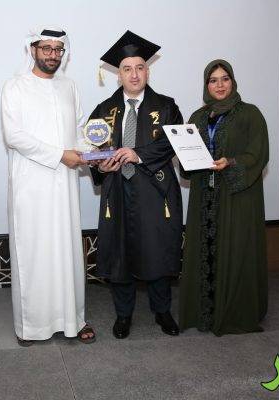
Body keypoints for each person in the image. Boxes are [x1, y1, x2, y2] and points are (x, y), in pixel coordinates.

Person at [1, 27, 95, 345]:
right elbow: (14, 136)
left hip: (65, 185)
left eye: (58, 49)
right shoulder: (15, 87)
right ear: (33, 50)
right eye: (47, 49)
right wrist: (60, 155)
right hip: (31, 187)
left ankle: (73, 320)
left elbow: (79, 131)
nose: (53, 55)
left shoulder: (70, 86)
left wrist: (92, 152)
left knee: (67, 251)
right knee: (35, 253)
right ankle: (31, 326)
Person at [89, 31, 183, 338]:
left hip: (155, 191)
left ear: (147, 71)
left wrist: (137, 154)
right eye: (127, 69)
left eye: (140, 67)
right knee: (120, 255)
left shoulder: (166, 107)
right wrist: (100, 166)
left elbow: (172, 143)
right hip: (118, 190)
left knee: (157, 252)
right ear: (118, 75)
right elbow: (94, 150)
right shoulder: (104, 110)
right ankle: (123, 315)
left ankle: (162, 311)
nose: (134, 74)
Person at [179, 59, 268, 336]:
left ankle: (234, 312)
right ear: (206, 85)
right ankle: (203, 312)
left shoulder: (250, 114)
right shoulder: (198, 117)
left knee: (236, 249)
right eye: (213, 80)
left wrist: (230, 162)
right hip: (204, 196)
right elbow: (188, 161)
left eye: (225, 79)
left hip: (237, 197)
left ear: (233, 81)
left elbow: (258, 154)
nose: (219, 85)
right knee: (205, 249)